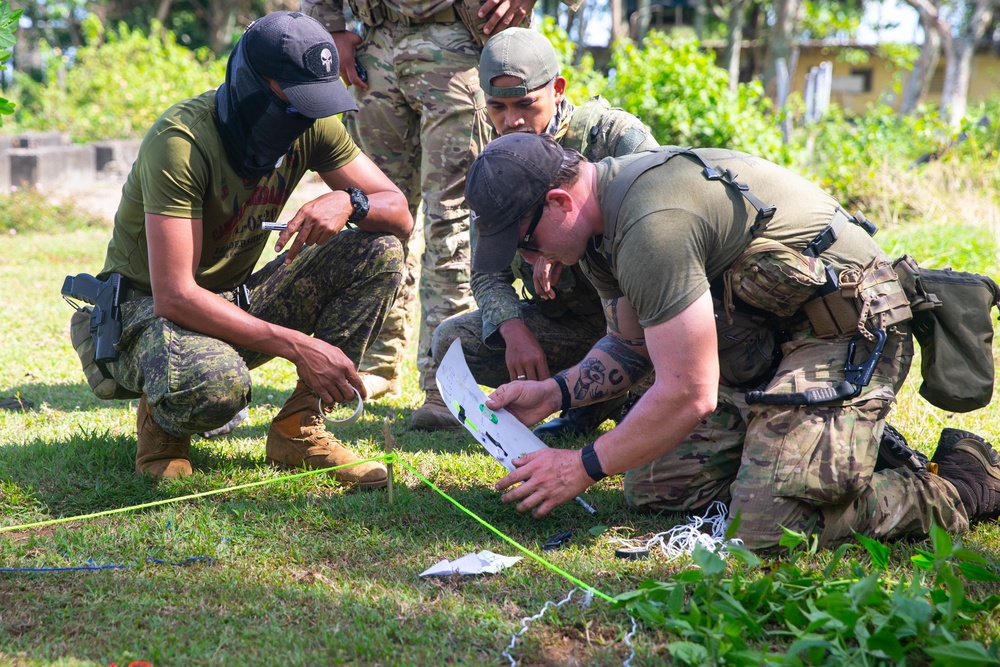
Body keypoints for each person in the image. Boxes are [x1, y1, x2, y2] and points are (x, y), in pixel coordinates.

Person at [463, 132, 1000, 550]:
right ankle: (806, 453)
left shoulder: (650, 223)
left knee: (769, 527)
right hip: (771, 340)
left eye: (527, 245)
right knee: (658, 486)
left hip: (850, 331)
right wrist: (554, 394)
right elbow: (629, 348)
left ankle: (960, 483)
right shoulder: (598, 229)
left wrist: (579, 466)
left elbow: (689, 393)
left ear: (559, 201)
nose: (533, 261)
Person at [80, 12, 413, 486]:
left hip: (230, 301)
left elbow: (398, 213)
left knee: (378, 252)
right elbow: (173, 295)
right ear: (251, 84)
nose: (305, 117)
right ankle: (163, 433)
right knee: (218, 386)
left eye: (315, 103)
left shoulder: (312, 125)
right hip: (142, 315)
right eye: (294, 101)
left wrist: (349, 200)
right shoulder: (181, 141)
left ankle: (299, 428)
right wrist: (301, 347)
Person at [410, 27, 658, 436]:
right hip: (574, 324)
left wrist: (565, 243)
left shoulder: (611, 136)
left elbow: (659, 223)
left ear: (557, 89)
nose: (513, 121)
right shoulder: (495, 162)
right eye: (497, 108)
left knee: (652, 444)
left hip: (642, 321)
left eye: (525, 103)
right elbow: (486, 271)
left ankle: (622, 394)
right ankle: (588, 395)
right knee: (453, 340)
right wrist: (513, 328)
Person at [299, 0, 540, 402]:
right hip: (375, 47)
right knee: (375, 213)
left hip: (460, 46)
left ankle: (444, 381)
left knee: (454, 222)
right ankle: (376, 360)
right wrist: (329, 27)